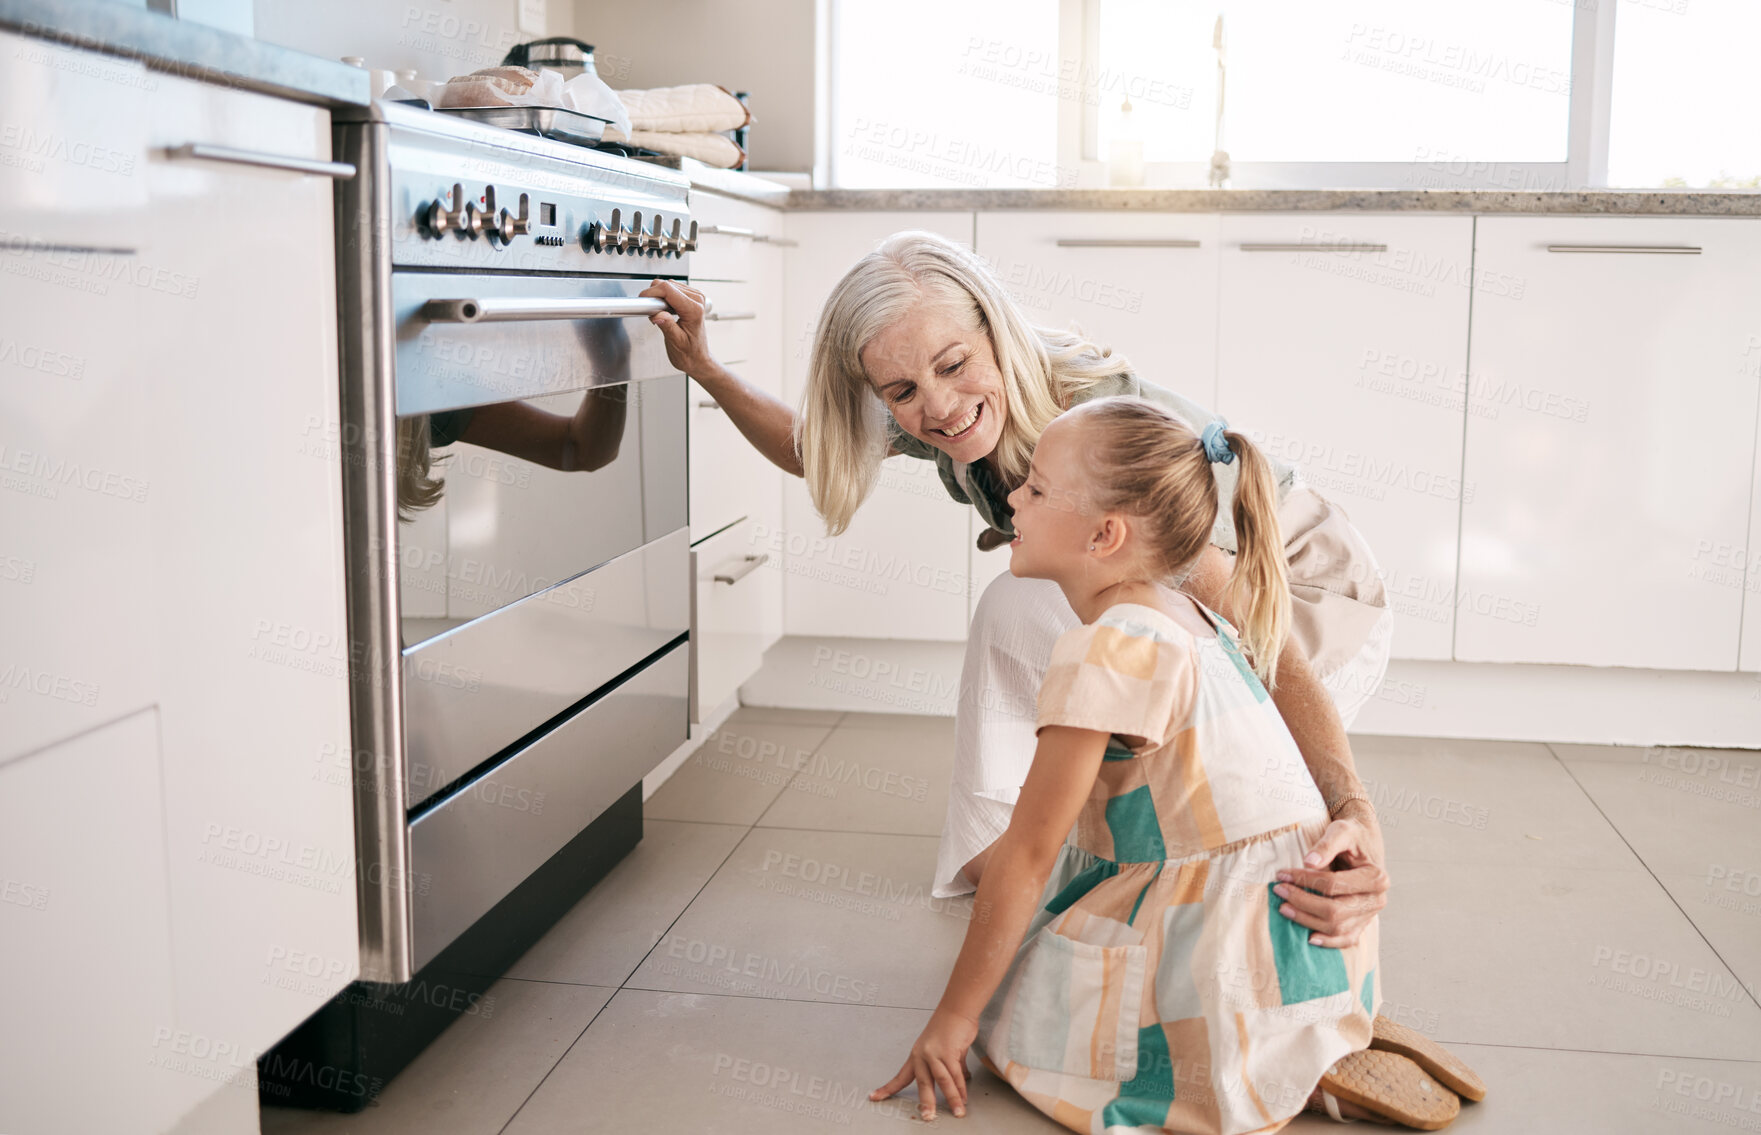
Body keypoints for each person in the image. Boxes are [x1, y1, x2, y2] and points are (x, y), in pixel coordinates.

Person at [640, 230, 1391, 946]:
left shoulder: (1092, 440)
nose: (934, 406)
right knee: (1041, 601)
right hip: (1210, 604)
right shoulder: (946, 387)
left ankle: (1232, 844)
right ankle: (998, 849)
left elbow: (1264, 637)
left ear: (996, 331)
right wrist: (707, 369)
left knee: (1035, 603)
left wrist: (1352, 808)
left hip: (1304, 599)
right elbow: (815, 448)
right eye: (900, 390)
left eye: (953, 365)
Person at [869, 397, 1478, 1130]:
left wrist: (952, 1020)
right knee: (1065, 900)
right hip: (1302, 937)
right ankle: (1322, 1023)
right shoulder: (1190, 613)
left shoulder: (1109, 645)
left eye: (1032, 487)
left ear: (1105, 533)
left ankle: (1285, 1065)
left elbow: (1027, 852)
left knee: (1021, 1009)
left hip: (1231, 950)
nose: (1012, 500)